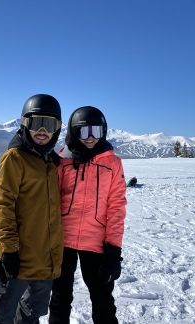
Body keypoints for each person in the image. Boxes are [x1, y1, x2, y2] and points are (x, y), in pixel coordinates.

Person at [0, 94, 64, 324]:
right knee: (2, 314)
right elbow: (3, 204)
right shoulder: (15, 158)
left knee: (32, 313)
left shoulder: (51, 161)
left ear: (57, 129)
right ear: (24, 124)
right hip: (18, 258)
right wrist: (9, 249)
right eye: (35, 122)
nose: (42, 130)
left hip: (46, 260)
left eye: (49, 124)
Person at [48, 106, 127, 324]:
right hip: (62, 240)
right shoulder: (62, 160)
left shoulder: (112, 164)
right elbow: (50, 199)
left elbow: (116, 207)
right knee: (60, 298)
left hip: (96, 242)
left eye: (96, 132)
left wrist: (113, 249)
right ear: (74, 132)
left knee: (102, 300)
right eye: (84, 132)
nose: (91, 138)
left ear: (104, 132)